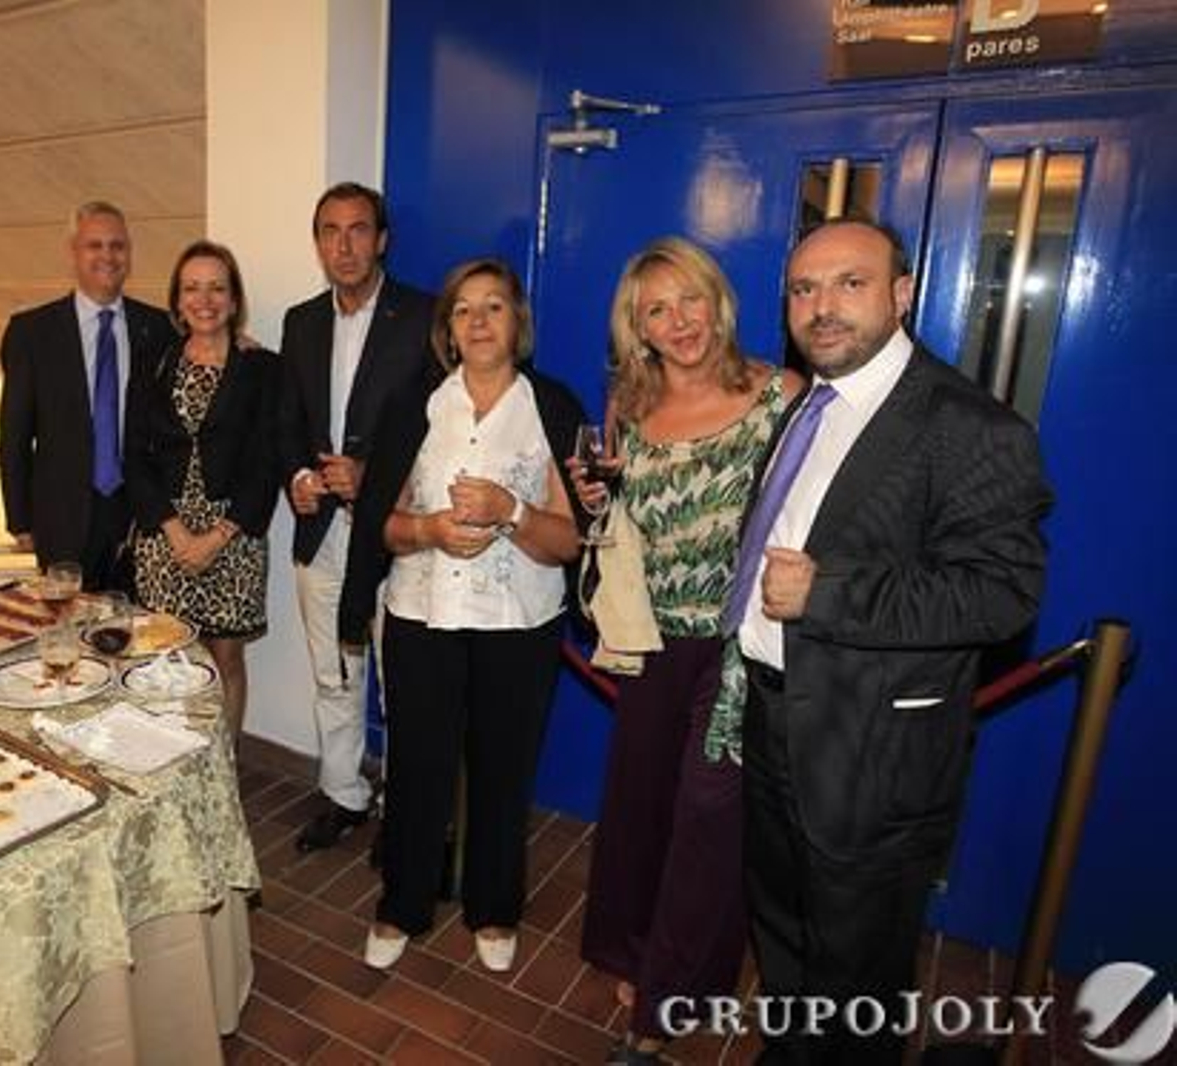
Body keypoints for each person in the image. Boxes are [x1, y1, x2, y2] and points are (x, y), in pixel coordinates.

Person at [736, 219, 1050, 1064]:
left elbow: (1002, 593)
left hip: (873, 754)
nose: (822, 307)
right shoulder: (805, 403)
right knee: (783, 929)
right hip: (771, 720)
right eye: (804, 289)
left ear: (901, 294)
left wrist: (827, 593)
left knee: (860, 972)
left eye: (850, 283)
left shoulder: (970, 427)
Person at [572, 238, 801, 1065]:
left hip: (738, 643)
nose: (680, 323)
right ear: (637, 329)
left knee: (708, 816)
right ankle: (634, 950)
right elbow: (618, 527)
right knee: (640, 803)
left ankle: (668, 1002)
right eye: (656, 310)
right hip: (650, 636)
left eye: (690, 300)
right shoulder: (626, 408)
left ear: (718, 299)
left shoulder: (782, 393)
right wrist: (597, 498)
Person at [339, 258, 583, 974]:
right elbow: (379, 526)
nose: (478, 322)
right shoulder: (413, 402)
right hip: (422, 616)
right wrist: (429, 531)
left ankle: (495, 907)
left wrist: (510, 511)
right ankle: (402, 905)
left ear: (518, 322)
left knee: (505, 773)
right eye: (464, 310)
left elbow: (569, 540)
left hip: (520, 624)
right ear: (447, 328)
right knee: (416, 767)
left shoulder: (553, 407)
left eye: (494, 308)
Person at [278, 183, 435, 853]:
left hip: (396, 530)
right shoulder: (300, 321)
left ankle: (403, 811)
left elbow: (449, 427)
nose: (343, 245)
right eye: (329, 231)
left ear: (383, 240)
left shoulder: (427, 317)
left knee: (400, 674)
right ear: (317, 242)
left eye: (358, 230)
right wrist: (297, 477)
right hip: (322, 533)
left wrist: (378, 480)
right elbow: (289, 420)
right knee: (332, 673)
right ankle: (344, 794)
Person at [124, 241, 278, 741]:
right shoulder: (152, 361)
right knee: (166, 655)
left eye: (217, 288)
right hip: (163, 534)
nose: (204, 299)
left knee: (224, 656)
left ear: (234, 301)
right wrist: (175, 532)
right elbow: (135, 455)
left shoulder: (261, 369)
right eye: (192, 288)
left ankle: (223, 765)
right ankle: (174, 757)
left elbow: (266, 461)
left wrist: (214, 537)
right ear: (177, 300)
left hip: (232, 538)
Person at [0, 201, 179, 591]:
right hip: (59, 518)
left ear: (129, 253)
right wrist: (19, 520)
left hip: (138, 516)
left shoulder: (160, 328)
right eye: (94, 246)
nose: (107, 256)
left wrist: (237, 340)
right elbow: (14, 434)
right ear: (73, 253)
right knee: (67, 636)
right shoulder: (30, 333)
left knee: (135, 633)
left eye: (117, 246)